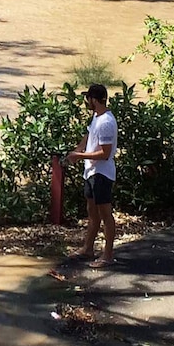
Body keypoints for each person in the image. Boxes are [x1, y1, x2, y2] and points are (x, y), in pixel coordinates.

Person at [63, 83, 118, 268]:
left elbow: (105, 153)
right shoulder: (97, 116)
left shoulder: (106, 123)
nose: (87, 102)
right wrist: (77, 150)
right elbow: (88, 136)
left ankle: (108, 255)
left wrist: (79, 156)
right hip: (91, 172)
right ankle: (88, 248)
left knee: (105, 214)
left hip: (102, 174)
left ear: (93, 100)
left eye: (88, 99)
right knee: (91, 212)